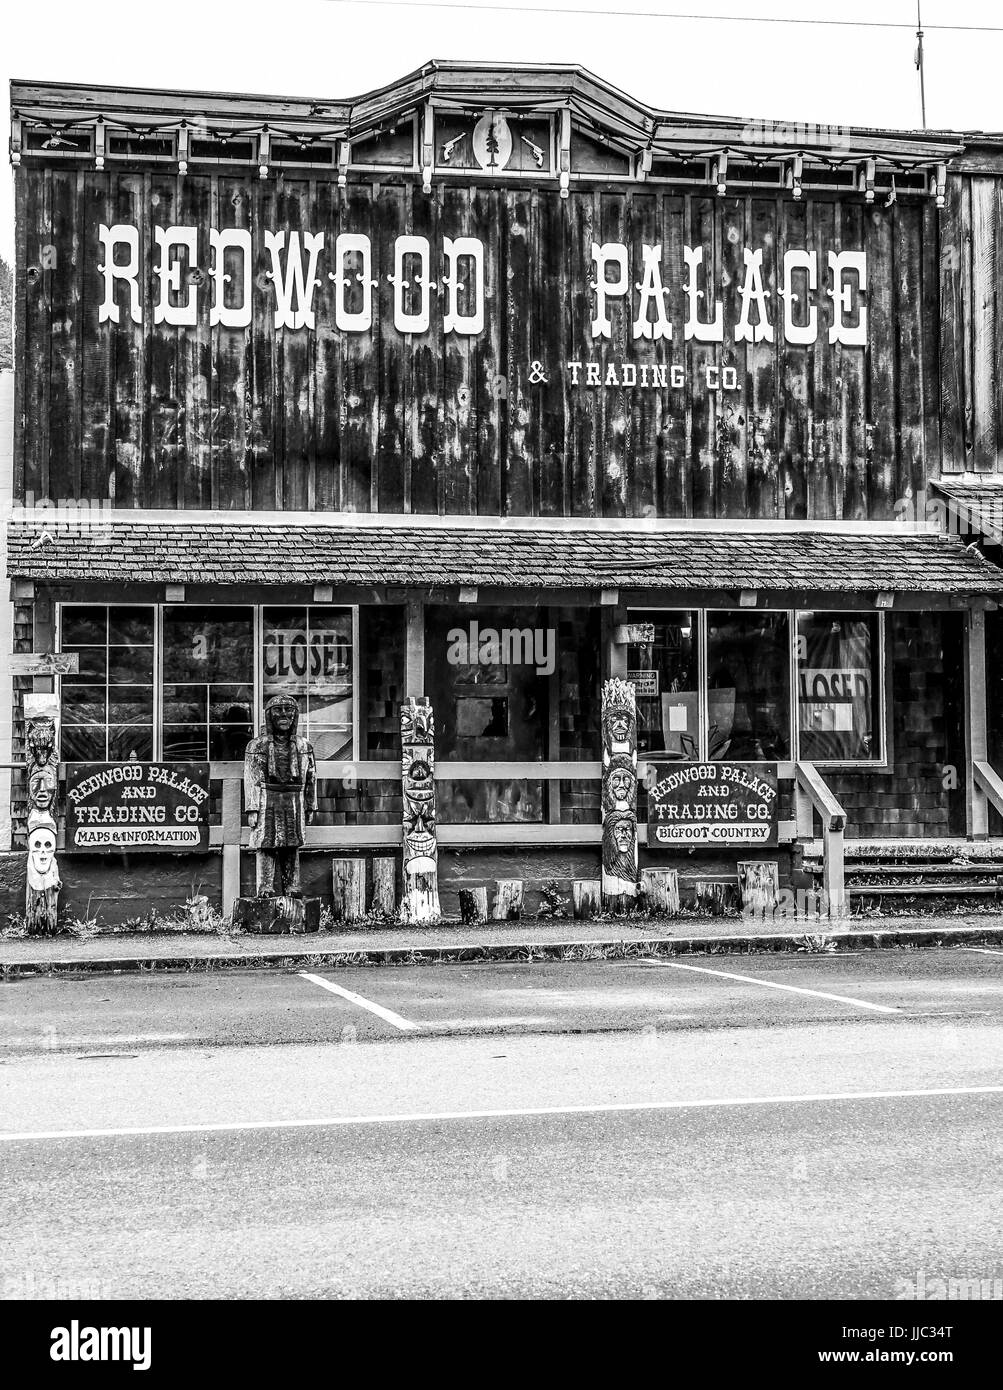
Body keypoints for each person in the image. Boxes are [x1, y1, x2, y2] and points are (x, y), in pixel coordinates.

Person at [244, 695, 317, 897]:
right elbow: (251, 778)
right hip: (267, 799)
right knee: (266, 843)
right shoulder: (256, 746)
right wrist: (252, 807)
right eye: (279, 710)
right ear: (269, 716)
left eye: (289, 710)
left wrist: (310, 805)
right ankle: (265, 886)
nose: (284, 714)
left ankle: (292, 885)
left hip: (294, 799)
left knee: (292, 844)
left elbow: (311, 778)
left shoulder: (304, 747)